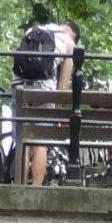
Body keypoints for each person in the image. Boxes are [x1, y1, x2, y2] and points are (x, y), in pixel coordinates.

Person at [18, 14, 80, 187]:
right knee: (40, 143)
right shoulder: (69, 42)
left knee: (23, 141)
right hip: (43, 89)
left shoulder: (33, 30)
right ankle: (35, 189)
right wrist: (57, 111)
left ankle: (19, 187)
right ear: (74, 34)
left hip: (19, 87)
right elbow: (62, 88)